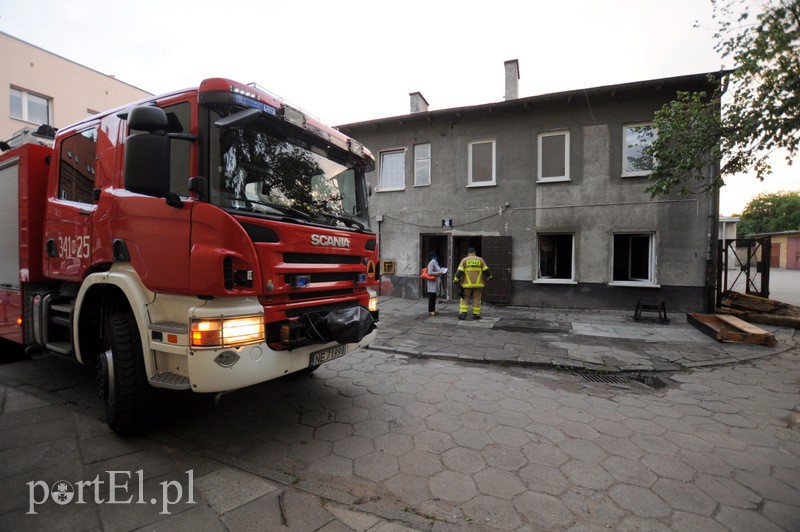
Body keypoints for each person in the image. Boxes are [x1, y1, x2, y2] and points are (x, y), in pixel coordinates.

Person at [453, 247, 492, 320]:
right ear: (475, 252)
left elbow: (459, 272)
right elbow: (486, 270)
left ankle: (463, 314)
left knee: (465, 298)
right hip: (478, 284)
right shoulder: (480, 260)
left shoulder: (464, 260)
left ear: (468, 253)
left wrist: (455, 280)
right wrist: (490, 276)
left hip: (467, 284)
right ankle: (476, 314)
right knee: (477, 299)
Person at [425, 251, 445, 316]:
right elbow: (430, 272)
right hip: (432, 281)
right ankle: (430, 310)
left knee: (434, 296)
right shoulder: (431, 263)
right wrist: (439, 272)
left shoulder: (435, 263)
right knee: (432, 296)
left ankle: (433, 310)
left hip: (435, 281)